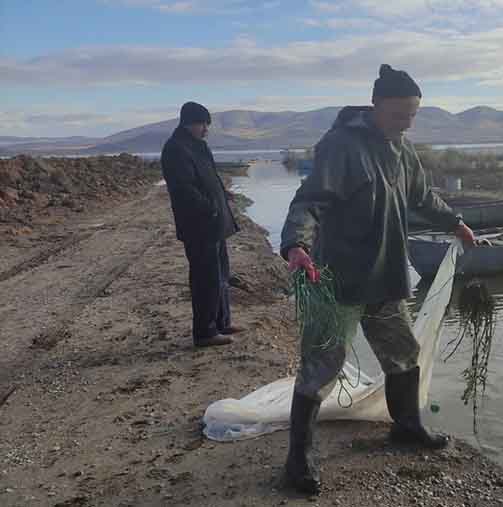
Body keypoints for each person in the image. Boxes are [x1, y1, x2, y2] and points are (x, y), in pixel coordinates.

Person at [279, 64, 476, 495]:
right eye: (400, 114)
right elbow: (309, 202)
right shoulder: (341, 146)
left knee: (404, 352)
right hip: (337, 280)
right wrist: (297, 245)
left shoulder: (402, 150)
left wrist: (455, 222)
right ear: (377, 105)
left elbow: (423, 197)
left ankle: (406, 427)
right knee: (321, 367)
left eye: (413, 115)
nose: (407, 123)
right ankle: (299, 459)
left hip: (386, 276)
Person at [161, 101, 243, 348]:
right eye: (202, 124)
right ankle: (205, 332)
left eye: (207, 124)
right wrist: (211, 207)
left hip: (215, 224)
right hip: (199, 226)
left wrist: (222, 194)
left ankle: (221, 322)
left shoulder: (199, 147)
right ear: (188, 123)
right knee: (205, 279)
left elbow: (208, 179)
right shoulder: (175, 149)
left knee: (220, 275)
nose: (206, 129)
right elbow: (184, 190)